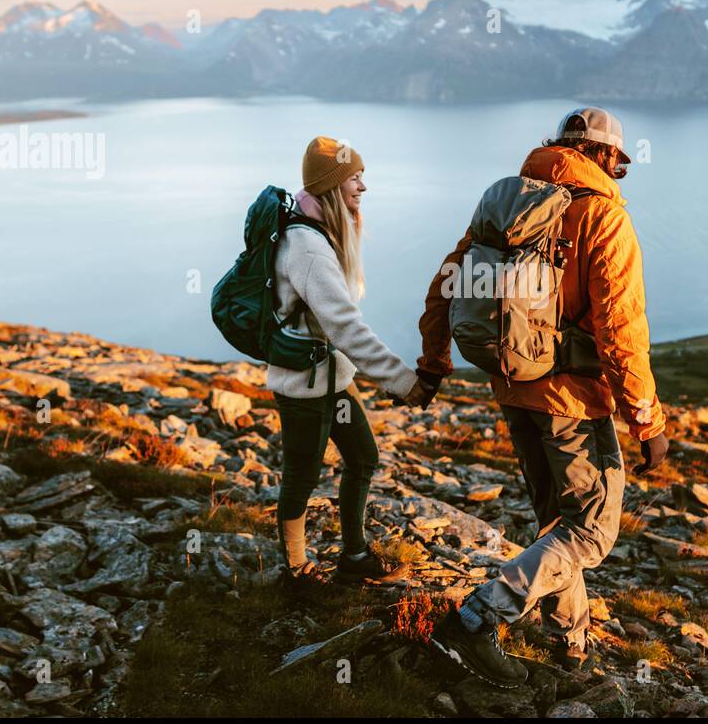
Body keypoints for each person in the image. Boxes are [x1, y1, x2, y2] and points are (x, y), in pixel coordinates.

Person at [416, 107, 669, 686]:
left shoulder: (507, 204)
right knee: (590, 531)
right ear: (604, 156)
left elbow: (446, 282)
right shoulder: (602, 218)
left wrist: (434, 363)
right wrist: (646, 421)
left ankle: (572, 646)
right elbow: (620, 329)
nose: (619, 173)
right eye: (619, 163)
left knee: (557, 520)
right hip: (573, 401)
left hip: (513, 384)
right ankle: (475, 620)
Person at [267, 135, 429, 584]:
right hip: (302, 385)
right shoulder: (309, 248)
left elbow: (339, 326)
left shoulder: (323, 233)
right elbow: (345, 327)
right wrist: (402, 381)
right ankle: (297, 571)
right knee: (301, 476)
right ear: (330, 185)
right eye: (354, 178)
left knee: (362, 458)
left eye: (362, 176)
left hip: (333, 378)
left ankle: (354, 559)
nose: (363, 187)